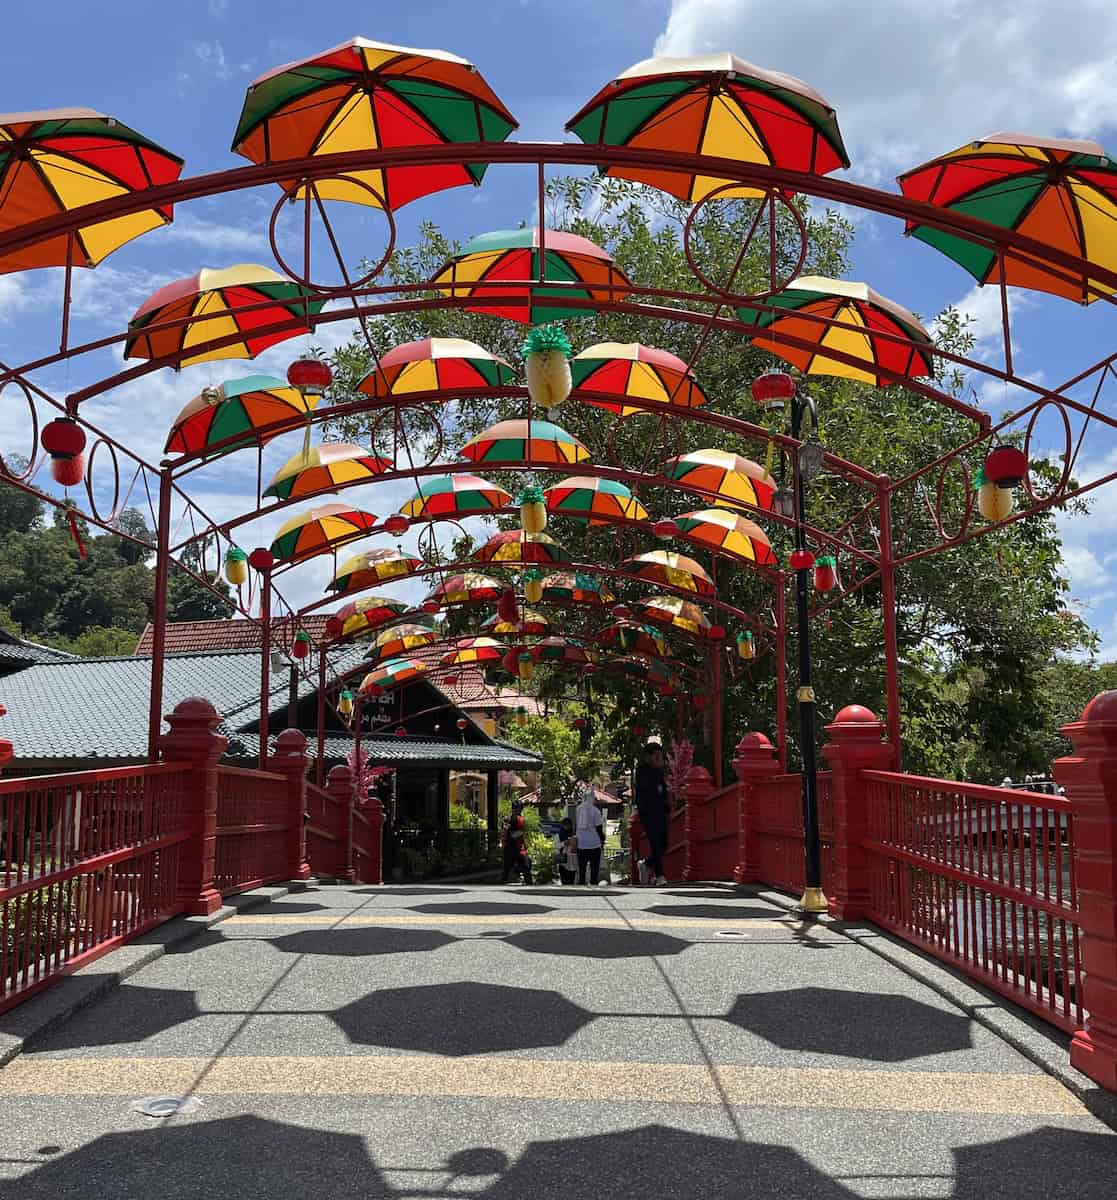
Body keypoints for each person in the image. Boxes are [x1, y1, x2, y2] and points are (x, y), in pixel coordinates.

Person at [635, 742, 669, 886]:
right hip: (648, 813)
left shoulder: (660, 771)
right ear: (648, 756)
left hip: (661, 812)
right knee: (655, 843)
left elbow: (663, 790)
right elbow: (646, 789)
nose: (658, 758)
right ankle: (660, 875)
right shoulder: (642, 771)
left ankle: (647, 863)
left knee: (664, 844)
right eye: (656, 755)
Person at [574, 783, 605, 885]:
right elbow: (599, 828)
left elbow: (576, 825)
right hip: (594, 844)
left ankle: (582, 884)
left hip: (581, 844)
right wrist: (602, 839)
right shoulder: (595, 811)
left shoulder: (578, 809)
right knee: (594, 868)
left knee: (582, 867)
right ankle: (594, 884)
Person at [501, 800, 533, 885]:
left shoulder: (520, 819)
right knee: (506, 869)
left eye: (518, 809)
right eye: (515, 808)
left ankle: (529, 885)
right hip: (510, 847)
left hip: (519, 848)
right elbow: (506, 832)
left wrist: (526, 843)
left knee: (526, 867)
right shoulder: (508, 819)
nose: (516, 810)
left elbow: (521, 833)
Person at [556, 817, 577, 885]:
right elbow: (556, 846)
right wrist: (564, 843)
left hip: (573, 860)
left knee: (571, 880)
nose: (567, 826)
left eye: (569, 825)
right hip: (563, 861)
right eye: (565, 825)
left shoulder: (575, 834)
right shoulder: (559, 835)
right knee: (564, 880)